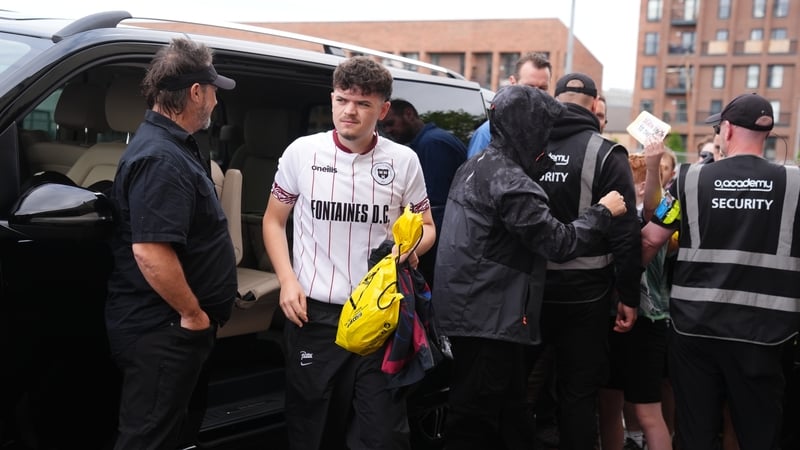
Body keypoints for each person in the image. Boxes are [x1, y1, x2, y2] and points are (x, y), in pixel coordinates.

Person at [433, 84, 627, 450]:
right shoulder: (510, 183)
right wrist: (604, 212)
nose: (549, 138)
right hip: (487, 318)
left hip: (476, 313)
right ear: (528, 128)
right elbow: (558, 242)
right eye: (544, 129)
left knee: (512, 417)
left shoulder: (478, 165)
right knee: (472, 423)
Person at [262, 56, 436, 450]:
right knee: (313, 434)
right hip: (315, 316)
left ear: (383, 109)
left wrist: (408, 251)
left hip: (379, 318)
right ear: (332, 99)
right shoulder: (301, 153)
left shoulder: (404, 161)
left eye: (362, 104)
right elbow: (273, 222)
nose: (349, 111)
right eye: (342, 100)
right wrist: (287, 282)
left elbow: (427, 229)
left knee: (383, 437)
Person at [641, 93, 800, 449]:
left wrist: (622, 289)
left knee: (695, 432)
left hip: (696, 330)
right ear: (768, 133)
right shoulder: (795, 185)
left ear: (726, 131)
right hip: (766, 335)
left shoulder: (689, 180)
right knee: (760, 435)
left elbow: (651, 239)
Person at [105, 37, 238, 449]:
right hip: (164, 330)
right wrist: (193, 314)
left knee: (168, 432)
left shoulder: (170, 148)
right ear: (196, 92)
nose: (216, 101)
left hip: (169, 329)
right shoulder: (161, 158)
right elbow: (150, 251)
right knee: (148, 439)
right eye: (214, 91)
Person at [535, 72, 640, 450]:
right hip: (586, 297)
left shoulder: (528, 145)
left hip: (528, 293)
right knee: (578, 394)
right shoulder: (607, 153)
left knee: (520, 386)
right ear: (596, 105)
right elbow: (626, 232)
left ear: (555, 98)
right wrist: (629, 296)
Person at [598, 146, 672, 450]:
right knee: (608, 405)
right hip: (609, 316)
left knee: (647, 411)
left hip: (648, 320)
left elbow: (652, 209)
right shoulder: (614, 212)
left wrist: (652, 168)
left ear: (639, 185)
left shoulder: (665, 208)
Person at [379, 98, 467, 285]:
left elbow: (434, 203)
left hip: (439, 241)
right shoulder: (427, 142)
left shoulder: (432, 144)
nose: (388, 131)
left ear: (409, 114)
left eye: (390, 123)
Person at [466, 52, 552, 158]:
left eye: (543, 88)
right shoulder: (488, 133)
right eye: (529, 87)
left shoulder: (553, 131)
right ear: (513, 82)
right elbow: (474, 172)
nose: (536, 95)